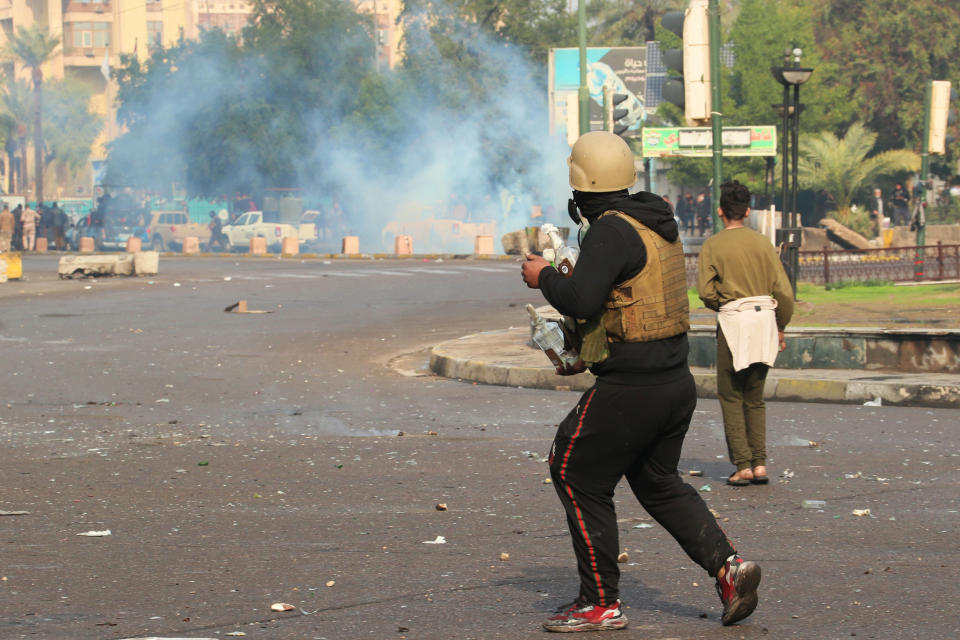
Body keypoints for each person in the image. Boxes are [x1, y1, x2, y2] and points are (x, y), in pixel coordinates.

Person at [521, 131, 761, 633]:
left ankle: (600, 602)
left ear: (581, 191)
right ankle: (730, 569)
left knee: (572, 467)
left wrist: (543, 274)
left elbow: (581, 298)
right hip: (674, 382)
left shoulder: (610, 229)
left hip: (636, 385)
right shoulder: (657, 223)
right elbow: (618, 301)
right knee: (656, 482)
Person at [697, 181, 794, 486]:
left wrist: (723, 303)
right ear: (748, 211)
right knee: (755, 397)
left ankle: (743, 465)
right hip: (765, 319)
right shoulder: (763, 243)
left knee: (730, 394)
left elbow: (705, 291)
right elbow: (784, 292)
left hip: (733, 322)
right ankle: (760, 463)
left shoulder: (713, 245)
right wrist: (780, 326)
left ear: (720, 211)